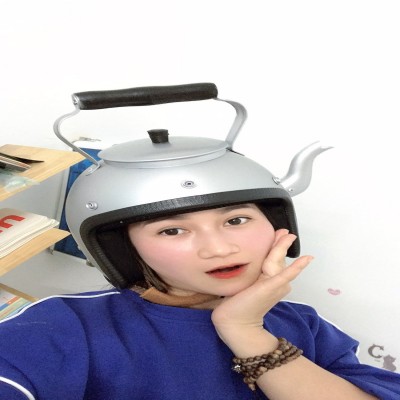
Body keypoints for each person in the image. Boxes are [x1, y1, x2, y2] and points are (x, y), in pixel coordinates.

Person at [1, 83, 399, 399]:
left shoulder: (306, 325)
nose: (219, 249)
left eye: (236, 220)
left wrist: (245, 330)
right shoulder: (63, 327)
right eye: (172, 230)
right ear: (119, 249)